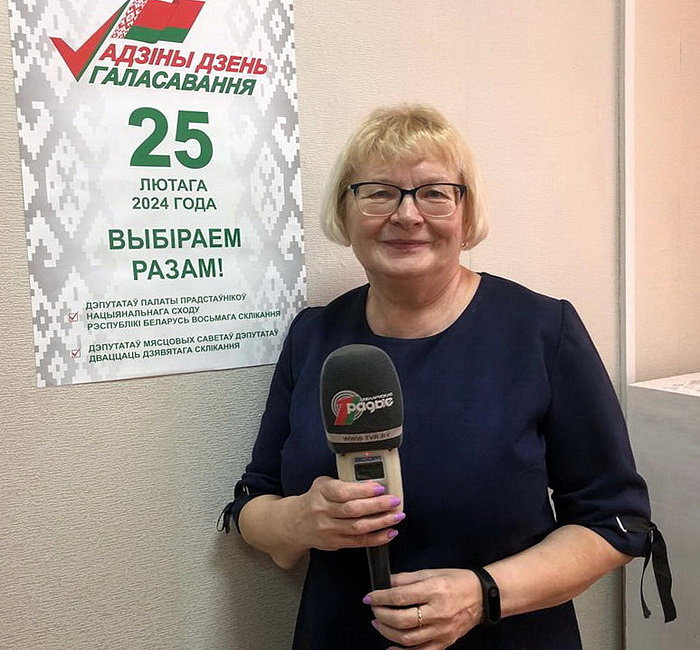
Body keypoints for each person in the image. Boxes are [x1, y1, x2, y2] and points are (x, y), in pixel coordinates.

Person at [219, 105, 673, 649]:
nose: (407, 215)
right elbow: (254, 502)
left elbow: (616, 522)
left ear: (466, 212)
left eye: (434, 193)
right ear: (345, 211)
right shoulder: (314, 335)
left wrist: (484, 594)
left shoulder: (540, 330)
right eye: (379, 192)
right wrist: (297, 521)